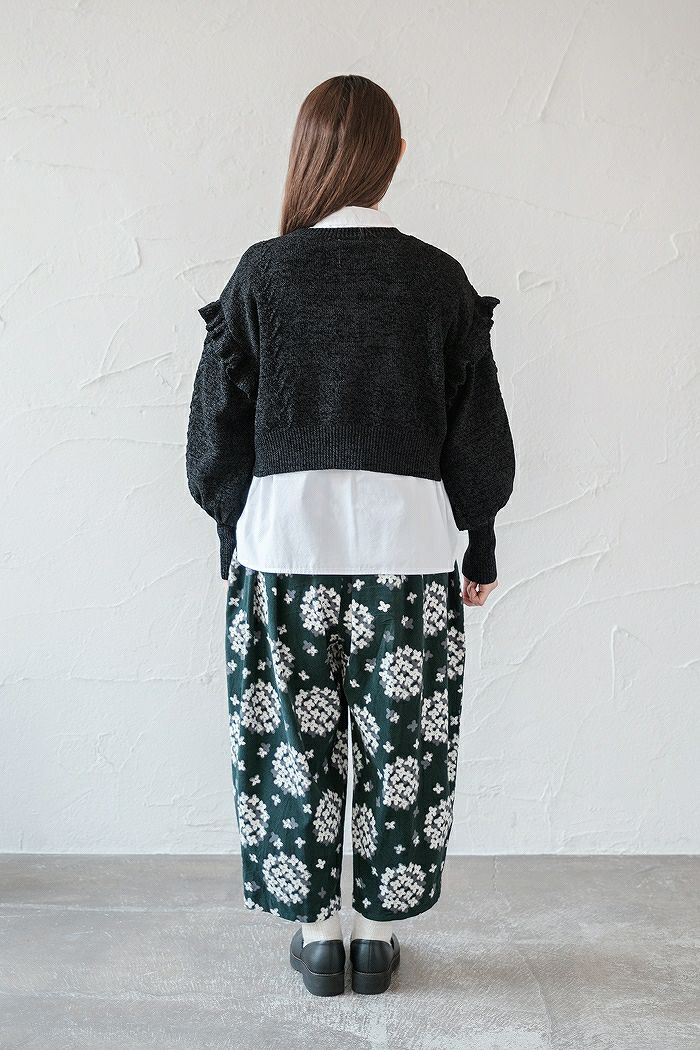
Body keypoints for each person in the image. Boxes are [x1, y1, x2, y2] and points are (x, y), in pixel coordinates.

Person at [185, 74, 516, 996]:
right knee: (405, 746)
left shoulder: (262, 274)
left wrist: (232, 531)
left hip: (283, 549)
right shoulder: (437, 278)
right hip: (409, 553)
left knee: (292, 744)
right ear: (394, 155)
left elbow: (216, 427)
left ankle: (318, 936)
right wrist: (481, 539)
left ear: (306, 153)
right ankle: (375, 937)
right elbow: (478, 428)